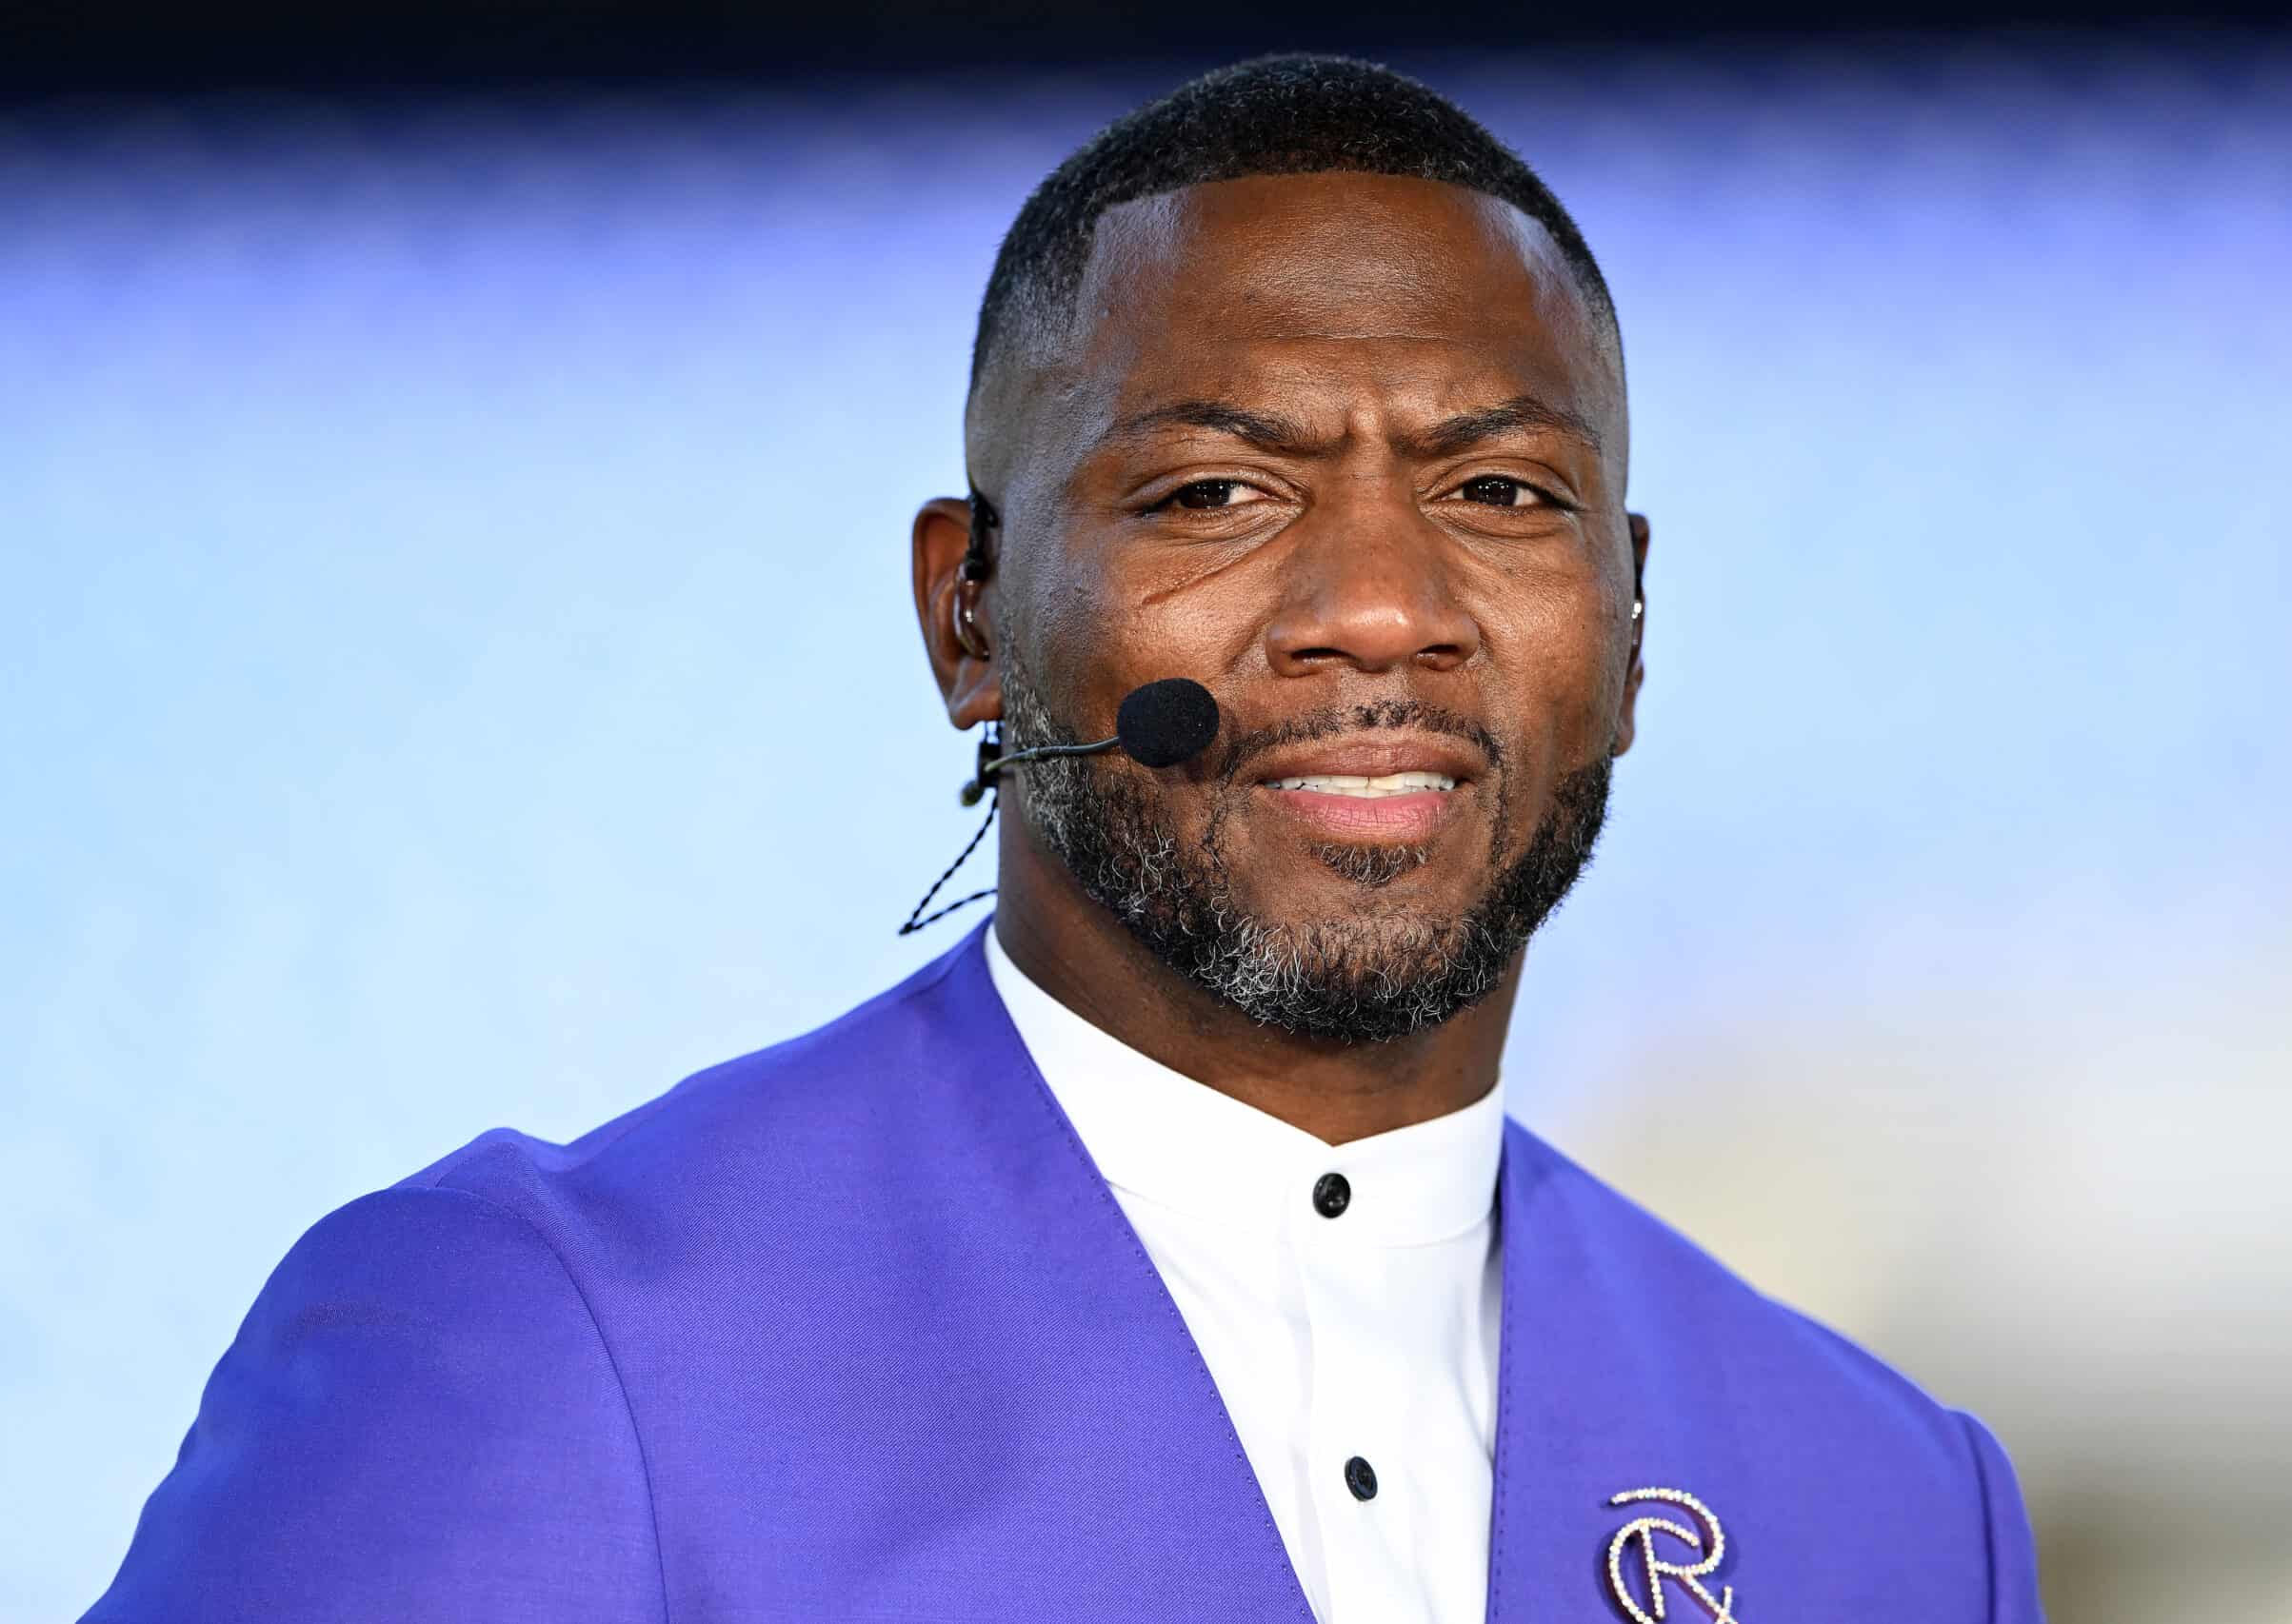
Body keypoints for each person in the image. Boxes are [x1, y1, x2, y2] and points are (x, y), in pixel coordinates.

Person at [85, 53, 2043, 1624]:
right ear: (969, 622)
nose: (1378, 602)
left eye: (1498, 489)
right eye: (1212, 488)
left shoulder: (1884, 1497)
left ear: (1623, 632)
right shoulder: (548, 1344)